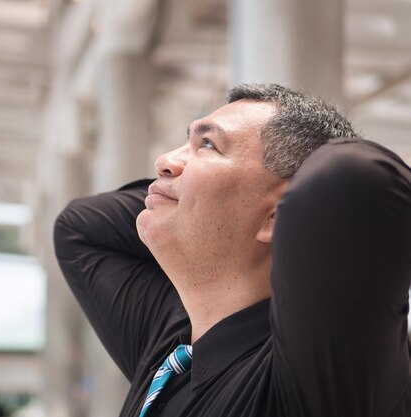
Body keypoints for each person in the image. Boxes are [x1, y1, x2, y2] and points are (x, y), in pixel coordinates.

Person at [53, 83, 411, 417]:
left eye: (207, 145)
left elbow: (355, 175)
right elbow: (81, 226)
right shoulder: (172, 338)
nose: (164, 160)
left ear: (279, 215)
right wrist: (186, 204)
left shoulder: (304, 378)